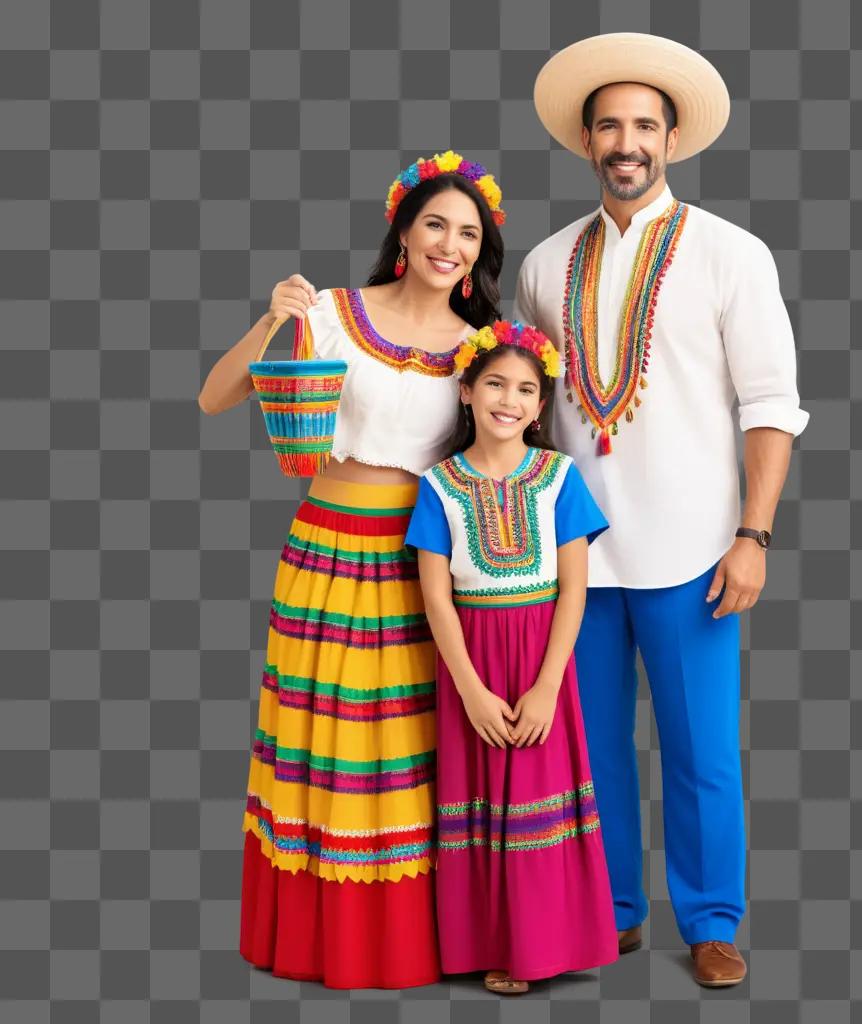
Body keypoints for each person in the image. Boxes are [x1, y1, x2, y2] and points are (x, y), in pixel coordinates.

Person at [514, 34, 811, 987]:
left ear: (672, 139)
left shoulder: (733, 253)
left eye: (645, 124)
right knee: (589, 753)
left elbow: (770, 406)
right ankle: (614, 913)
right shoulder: (545, 263)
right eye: (610, 124)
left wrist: (754, 536)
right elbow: (523, 406)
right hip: (574, 559)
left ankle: (713, 921)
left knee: (701, 753)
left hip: (695, 550)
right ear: (587, 141)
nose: (627, 141)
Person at [197, 151, 507, 989]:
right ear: (403, 230)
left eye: (469, 234)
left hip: (425, 561)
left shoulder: (484, 348)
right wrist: (270, 321)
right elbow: (215, 397)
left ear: (481, 253)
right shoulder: (332, 312)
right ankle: (314, 937)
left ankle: (417, 940)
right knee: (322, 737)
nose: (451, 244)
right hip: (327, 551)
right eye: (437, 223)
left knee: (410, 745)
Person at [405, 321, 618, 995]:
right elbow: (436, 598)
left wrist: (549, 685)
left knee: (538, 800)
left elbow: (575, 587)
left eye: (527, 389)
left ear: (540, 403)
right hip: (472, 662)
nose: (511, 399)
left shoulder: (558, 477)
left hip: (540, 664)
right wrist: (468, 688)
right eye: (495, 383)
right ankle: (493, 945)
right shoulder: (439, 485)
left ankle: (546, 945)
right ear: (466, 393)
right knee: (479, 804)